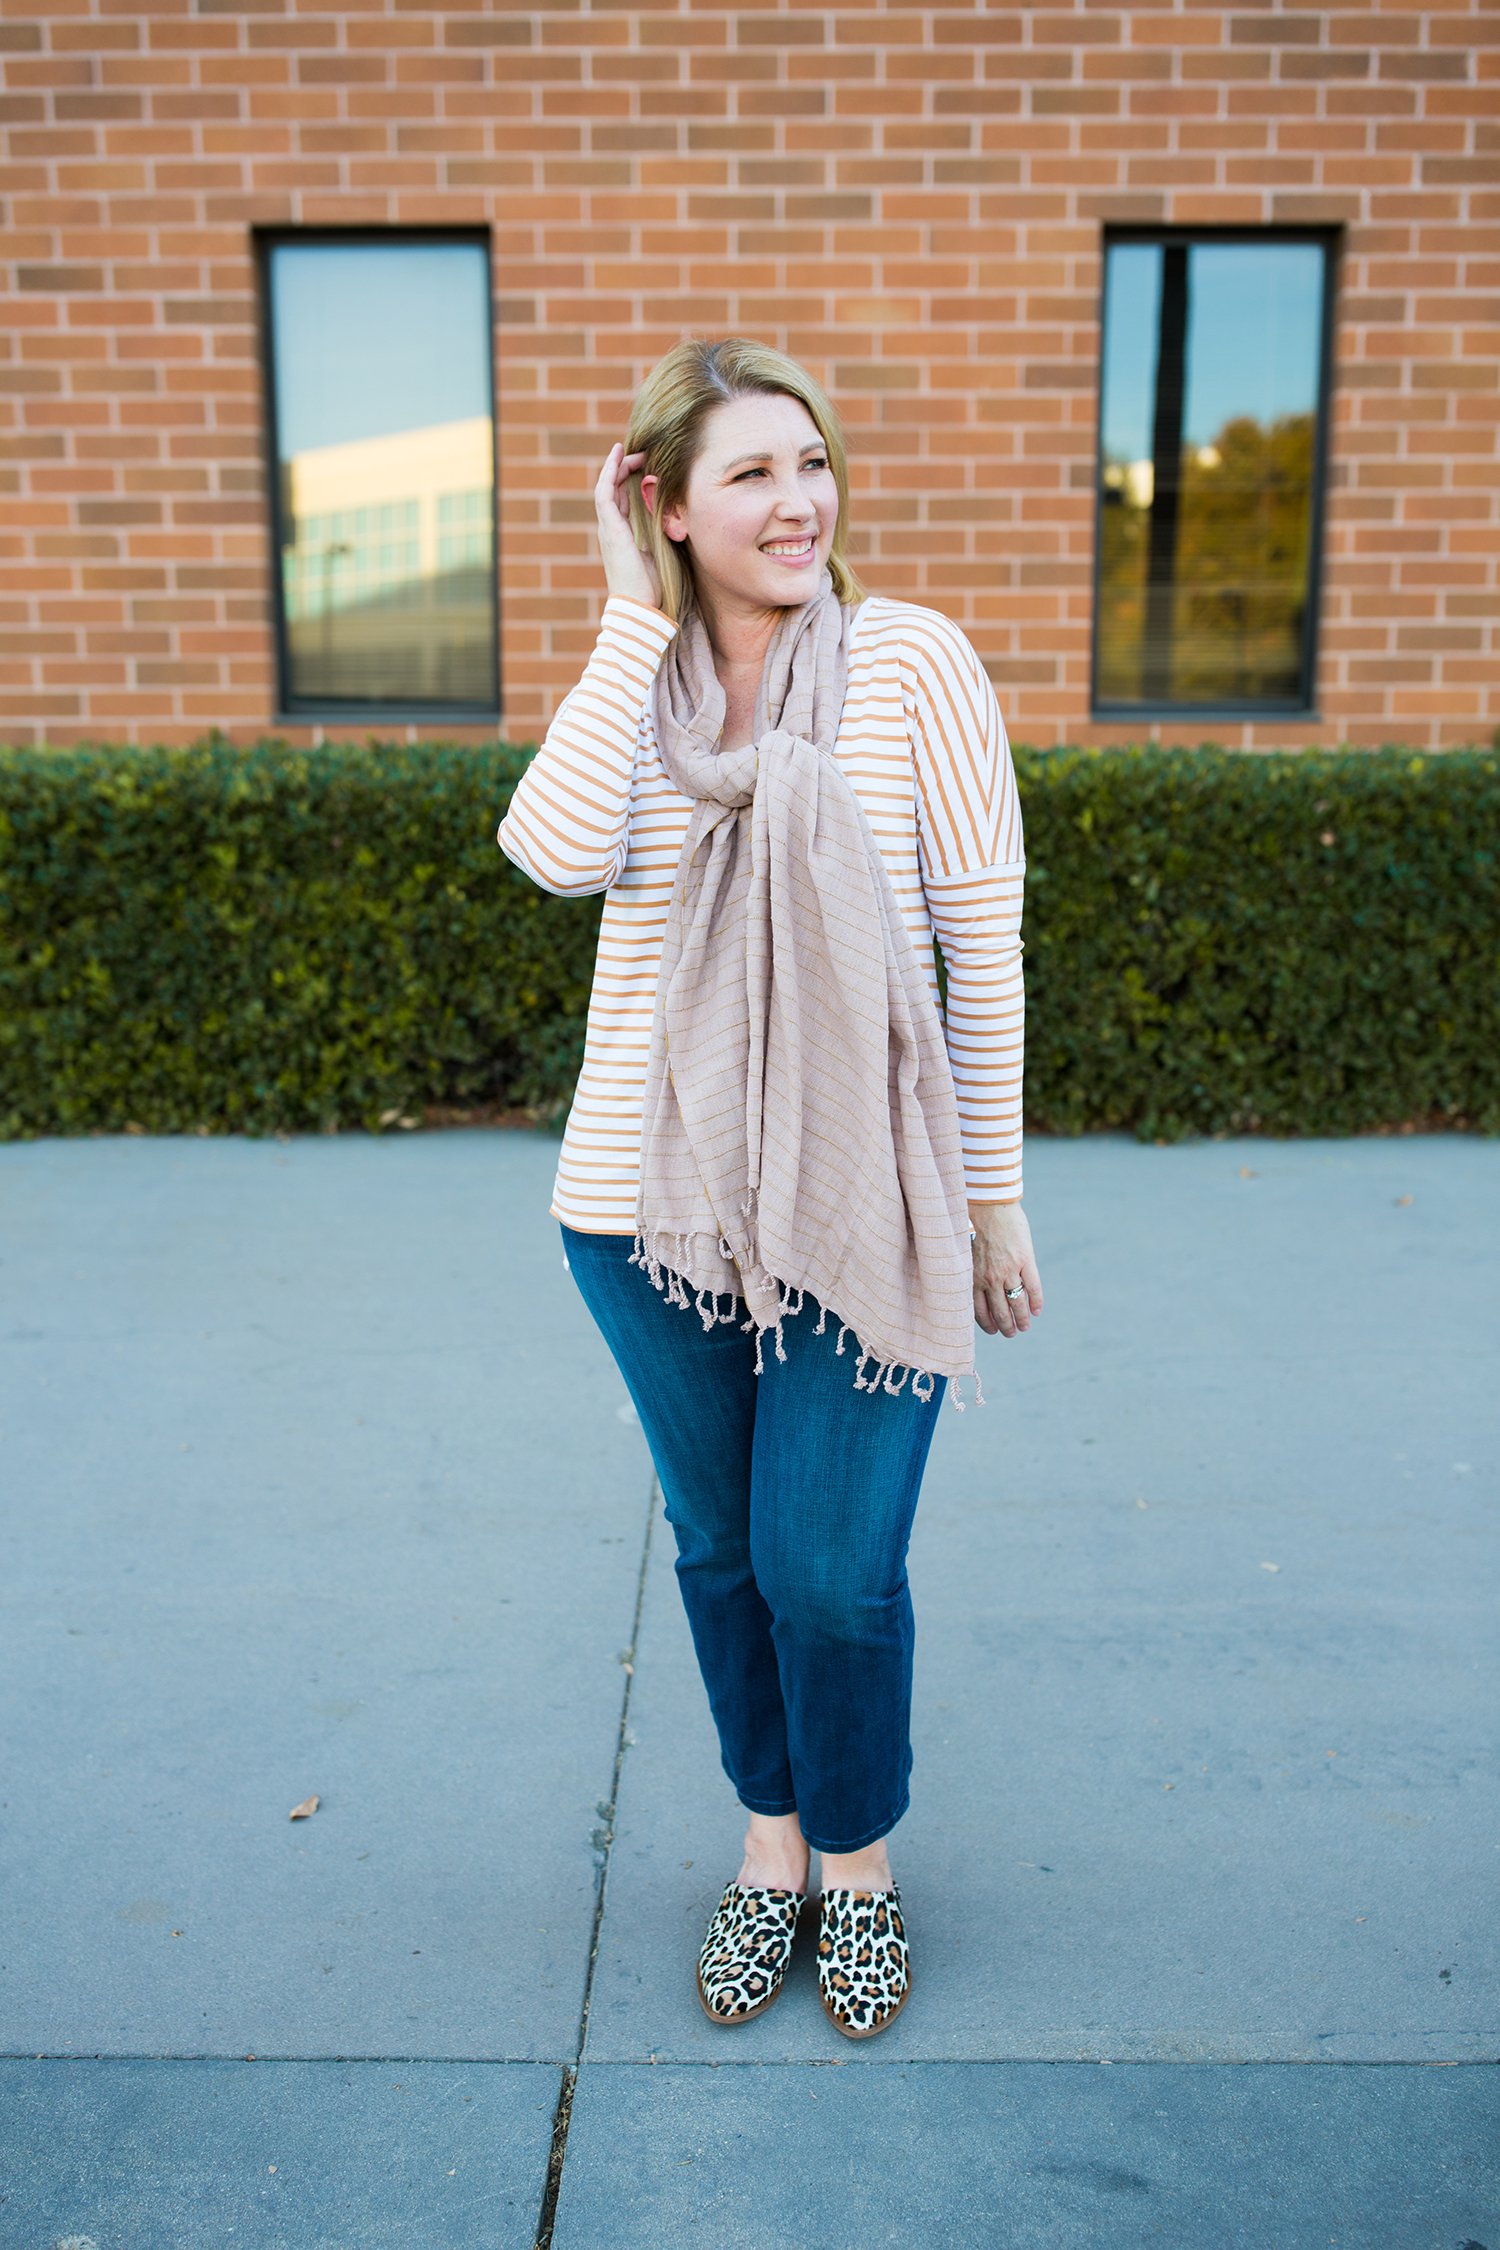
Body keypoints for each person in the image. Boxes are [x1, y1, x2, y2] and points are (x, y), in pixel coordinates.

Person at [497, 338, 1041, 2041]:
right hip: (639, 1204)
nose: (798, 501)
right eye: (747, 473)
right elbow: (553, 853)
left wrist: (992, 1198)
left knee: (826, 1561)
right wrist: (618, 612)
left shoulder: (910, 668)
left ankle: (860, 1863)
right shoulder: (637, 687)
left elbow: (984, 944)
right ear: (663, 505)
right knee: (725, 1548)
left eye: (811, 464)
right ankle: (774, 1846)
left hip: (864, 1197)